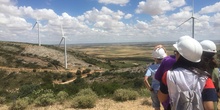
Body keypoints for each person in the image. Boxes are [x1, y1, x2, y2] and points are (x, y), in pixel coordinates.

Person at [158, 36, 218, 110]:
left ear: (181, 56)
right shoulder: (205, 78)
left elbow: (162, 98)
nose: (175, 55)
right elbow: (209, 107)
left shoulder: (168, 75)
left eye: (176, 52)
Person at [155, 36, 192, 110]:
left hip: (171, 100)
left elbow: (158, 76)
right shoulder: (198, 66)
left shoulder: (167, 60)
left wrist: (163, 51)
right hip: (192, 101)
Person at [144, 45, 167, 110]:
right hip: (164, 89)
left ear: (154, 58)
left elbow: (145, 80)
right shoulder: (165, 66)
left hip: (154, 89)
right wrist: (163, 47)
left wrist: (150, 88)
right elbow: (167, 57)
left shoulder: (151, 67)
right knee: (166, 106)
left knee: (156, 106)